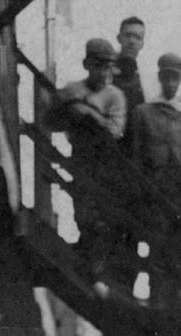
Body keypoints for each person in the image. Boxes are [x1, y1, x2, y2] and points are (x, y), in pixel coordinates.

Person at [46, 38, 128, 272]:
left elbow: (115, 131)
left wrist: (85, 111)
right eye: (98, 65)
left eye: (108, 66)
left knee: (101, 213)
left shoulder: (115, 96)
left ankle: (98, 265)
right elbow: (52, 121)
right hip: (80, 156)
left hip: (105, 161)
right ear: (87, 64)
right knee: (81, 208)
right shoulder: (73, 89)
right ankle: (86, 255)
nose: (103, 72)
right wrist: (68, 106)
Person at [129, 52, 181, 288]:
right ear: (160, 78)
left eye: (175, 77)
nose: (171, 81)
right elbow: (135, 158)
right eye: (166, 76)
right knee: (157, 254)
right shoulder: (143, 112)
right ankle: (158, 309)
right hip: (155, 196)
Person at [113, 16, 146, 114]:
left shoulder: (144, 77)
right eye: (128, 35)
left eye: (137, 37)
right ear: (119, 38)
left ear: (142, 44)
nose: (132, 41)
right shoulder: (105, 68)